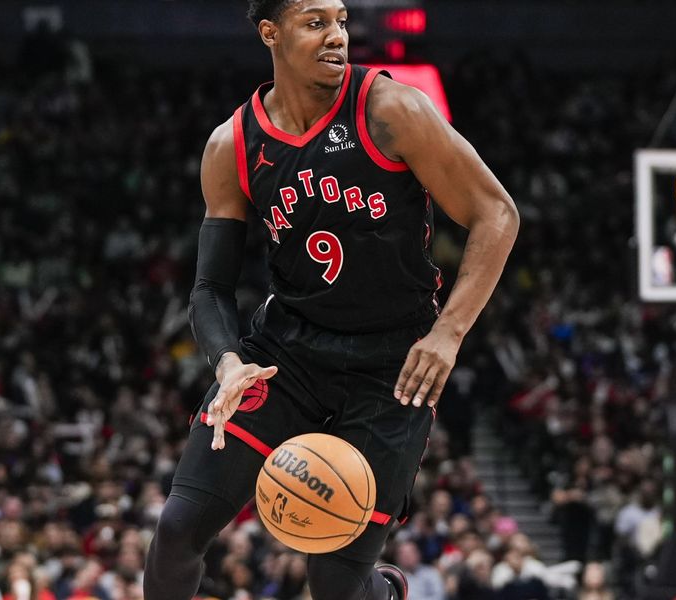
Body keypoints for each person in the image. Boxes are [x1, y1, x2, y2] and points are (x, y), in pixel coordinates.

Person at [143, 1, 519, 599]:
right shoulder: (232, 145)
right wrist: (226, 361)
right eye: (316, 22)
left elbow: (496, 213)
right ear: (271, 32)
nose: (337, 36)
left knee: (334, 583)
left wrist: (448, 334)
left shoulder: (390, 109)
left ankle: (386, 593)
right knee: (177, 527)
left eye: (341, 20)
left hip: (393, 368)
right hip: (285, 353)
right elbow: (210, 289)